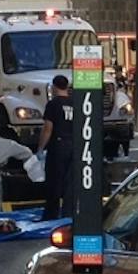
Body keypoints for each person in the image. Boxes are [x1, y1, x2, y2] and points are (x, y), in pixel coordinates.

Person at [38, 74, 80, 222]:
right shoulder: (75, 103)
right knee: (70, 183)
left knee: (54, 181)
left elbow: (48, 128)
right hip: (73, 145)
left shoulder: (53, 104)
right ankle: (68, 213)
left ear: (54, 87)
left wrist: (41, 148)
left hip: (58, 145)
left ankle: (51, 214)